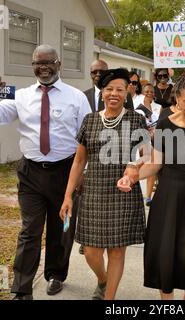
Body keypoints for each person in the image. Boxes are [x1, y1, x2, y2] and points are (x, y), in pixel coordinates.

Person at [0, 45, 92, 300]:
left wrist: (83, 173)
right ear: (32, 66)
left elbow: (87, 139)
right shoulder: (21, 96)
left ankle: (55, 275)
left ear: (59, 63)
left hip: (65, 172)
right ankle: (22, 289)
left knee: (60, 229)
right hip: (30, 172)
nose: (43, 67)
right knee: (30, 230)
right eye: (37, 63)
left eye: (48, 62)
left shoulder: (76, 97)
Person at [118, 74, 185, 300]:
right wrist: (133, 177)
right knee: (166, 252)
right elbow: (156, 163)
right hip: (167, 197)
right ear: (177, 98)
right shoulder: (165, 124)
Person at [59, 68, 149, 300]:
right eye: (109, 89)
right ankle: (102, 278)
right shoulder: (90, 121)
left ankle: (109, 298)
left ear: (127, 92)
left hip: (123, 193)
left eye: (119, 89)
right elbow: (79, 160)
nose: (114, 94)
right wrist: (68, 196)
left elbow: (147, 154)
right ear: (102, 93)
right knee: (91, 251)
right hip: (94, 192)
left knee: (117, 251)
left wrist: (134, 166)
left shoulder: (136, 119)